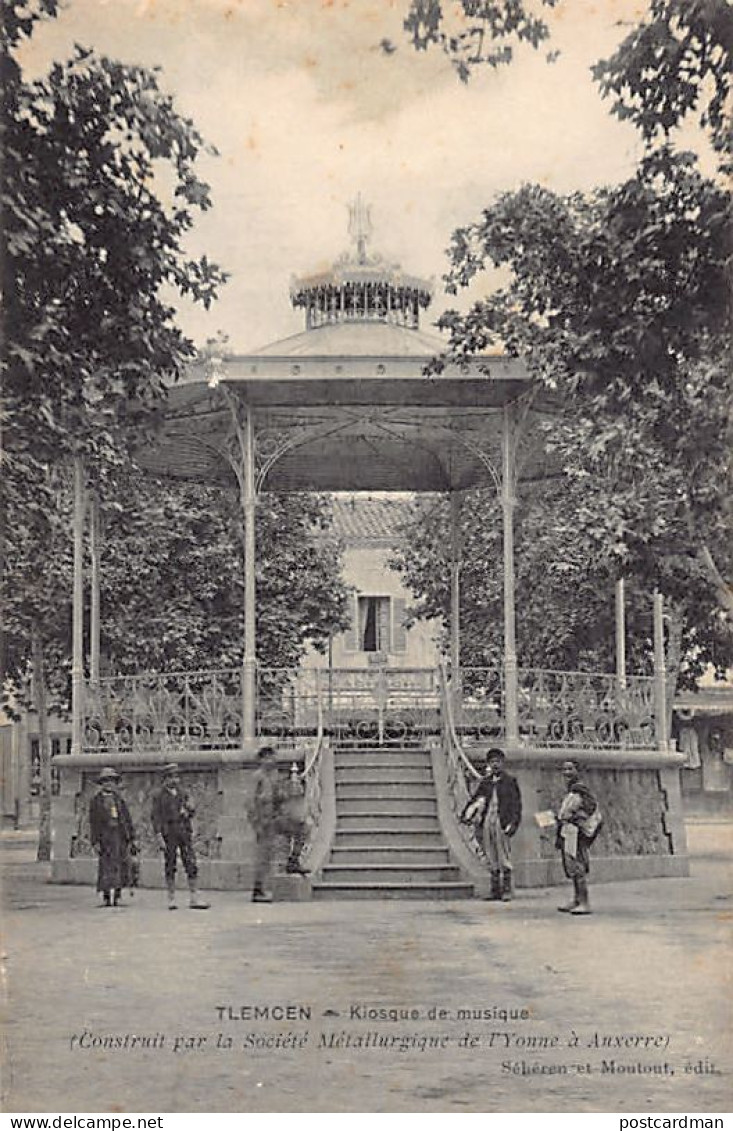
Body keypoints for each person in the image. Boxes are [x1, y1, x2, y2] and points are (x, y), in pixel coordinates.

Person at [461, 748, 522, 901]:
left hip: (502, 821)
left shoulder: (510, 781)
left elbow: (516, 805)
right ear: (488, 764)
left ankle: (507, 889)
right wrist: (466, 813)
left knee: (504, 854)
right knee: (490, 853)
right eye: (492, 762)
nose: (495, 765)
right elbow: (476, 798)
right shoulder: (486, 782)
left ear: (503, 763)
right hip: (488, 820)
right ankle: (495, 890)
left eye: (498, 762)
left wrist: (513, 823)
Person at [248, 746, 307, 903]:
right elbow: (250, 802)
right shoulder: (257, 777)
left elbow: (281, 797)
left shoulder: (275, 777)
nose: (270, 761)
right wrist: (256, 823)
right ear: (260, 760)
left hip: (276, 818)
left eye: (272, 757)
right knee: (264, 855)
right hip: (263, 821)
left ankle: (293, 860)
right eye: (266, 758)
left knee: (301, 827)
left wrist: (288, 791)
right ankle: (258, 889)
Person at [151, 762, 210, 911]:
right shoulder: (158, 796)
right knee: (170, 864)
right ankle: (171, 898)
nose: (174, 780)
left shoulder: (183, 793)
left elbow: (191, 811)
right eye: (171, 777)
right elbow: (155, 817)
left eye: (176, 777)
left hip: (183, 831)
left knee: (190, 863)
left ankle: (194, 896)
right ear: (165, 779)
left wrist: (189, 811)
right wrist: (159, 836)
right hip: (168, 832)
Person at [555, 759, 601, 916]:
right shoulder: (571, 789)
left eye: (570, 769)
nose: (566, 772)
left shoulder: (580, 788)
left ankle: (584, 901)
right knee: (572, 865)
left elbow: (590, 806)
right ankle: (576, 899)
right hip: (569, 831)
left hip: (577, 831)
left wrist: (576, 817)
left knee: (578, 865)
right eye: (564, 769)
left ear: (578, 771)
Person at [89, 767, 136, 908]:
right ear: (101, 784)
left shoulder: (119, 800)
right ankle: (106, 896)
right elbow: (93, 822)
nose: (108, 784)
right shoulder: (96, 801)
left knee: (120, 865)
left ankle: (117, 895)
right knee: (105, 866)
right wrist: (95, 840)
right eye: (105, 782)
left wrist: (131, 836)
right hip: (105, 836)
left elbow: (127, 819)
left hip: (119, 835)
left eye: (111, 781)